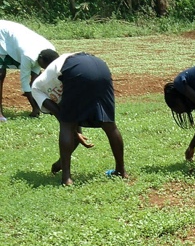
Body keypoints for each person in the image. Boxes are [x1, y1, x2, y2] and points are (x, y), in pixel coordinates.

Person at [32, 50, 125, 187]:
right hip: (100, 66)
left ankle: (66, 179)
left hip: (75, 69)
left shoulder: (36, 88)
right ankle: (121, 171)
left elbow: (62, 115)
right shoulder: (58, 68)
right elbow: (72, 113)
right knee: (109, 125)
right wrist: (76, 133)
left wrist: (74, 131)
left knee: (66, 124)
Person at [0, 19, 56, 120]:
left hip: (15, 37)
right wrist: (35, 108)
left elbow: (34, 83)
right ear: (41, 60)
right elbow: (24, 83)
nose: (45, 69)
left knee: (36, 78)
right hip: (2, 34)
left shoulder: (50, 49)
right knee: (0, 73)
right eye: (45, 66)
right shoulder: (29, 56)